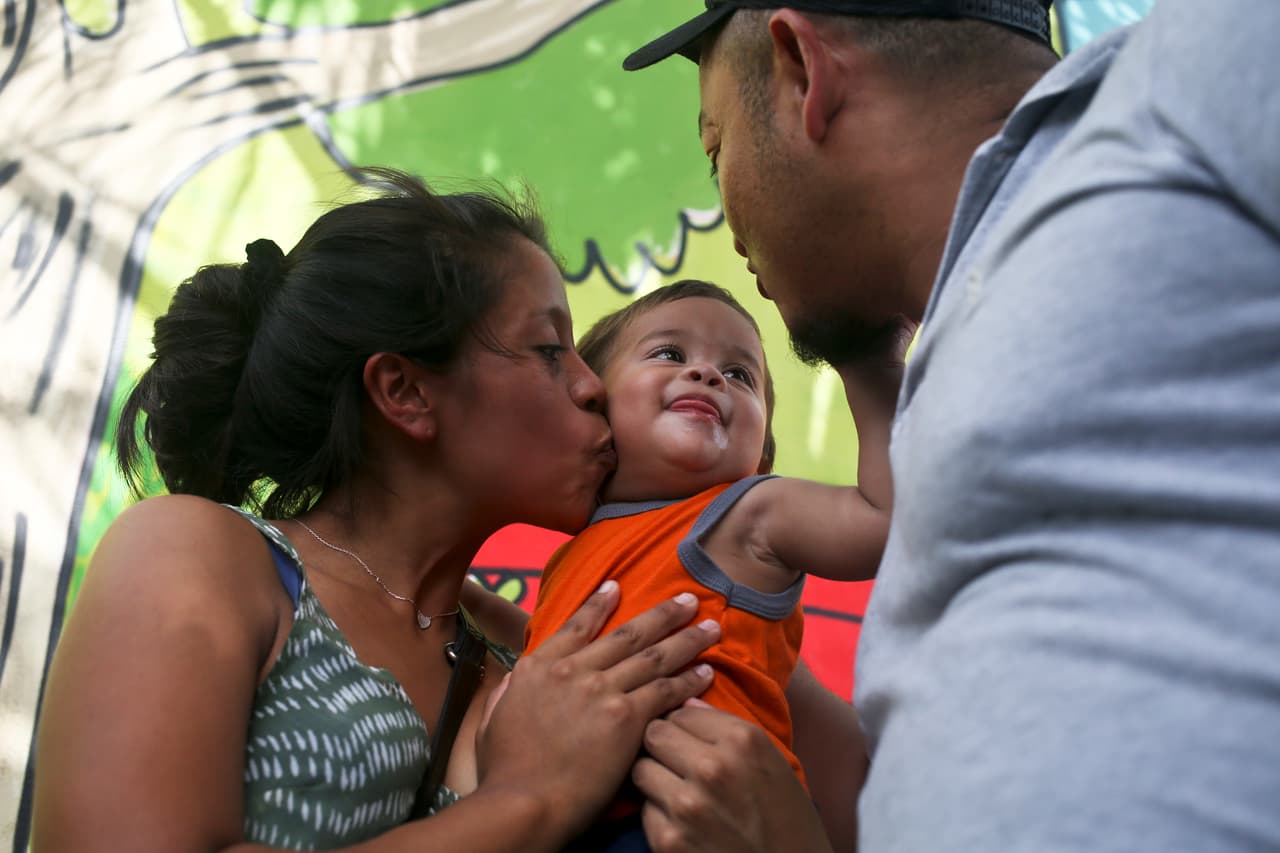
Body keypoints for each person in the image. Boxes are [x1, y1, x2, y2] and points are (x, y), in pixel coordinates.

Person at [623, 0, 1280, 850]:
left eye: (717, 151)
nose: (729, 216)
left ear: (801, 69)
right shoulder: (958, 340)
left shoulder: (1179, 90)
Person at [32, 168, 798, 851]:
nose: (591, 384)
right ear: (405, 392)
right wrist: (531, 798)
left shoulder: (543, 644)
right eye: (547, 349)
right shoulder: (199, 552)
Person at [524, 279, 900, 849]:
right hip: (568, 815)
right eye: (670, 354)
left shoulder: (749, 513)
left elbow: (886, 520)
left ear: (762, 457)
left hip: (697, 820)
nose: (708, 375)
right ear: (594, 410)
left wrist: (869, 359)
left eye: (740, 374)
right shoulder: (570, 553)